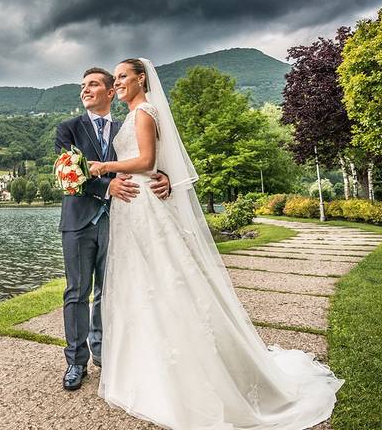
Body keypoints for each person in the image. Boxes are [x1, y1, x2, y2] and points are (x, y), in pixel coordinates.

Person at [89, 58, 342, 430]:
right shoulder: (135, 114)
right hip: (134, 208)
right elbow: (153, 163)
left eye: (124, 75)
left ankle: (184, 375)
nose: (119, 81)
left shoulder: (144, 111)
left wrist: (102, 167)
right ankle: (146, 368)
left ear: (141, 79)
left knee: (165, 280)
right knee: (145, 284)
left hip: (144, 207)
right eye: (117, 77)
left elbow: (145, 160)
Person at [54, 67, 171, 391]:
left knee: (109, 291)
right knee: (77, 292)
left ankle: (104, 353)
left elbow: (146, 161)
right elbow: (68, 175)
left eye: (93, 84)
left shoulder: (126, 128)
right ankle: (76, 363)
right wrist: (107, 188)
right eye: (82, 86)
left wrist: (164, 178)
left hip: (120, 221)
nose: (85, 90)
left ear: (109, 92)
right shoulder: (68, 129)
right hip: (78, 222)